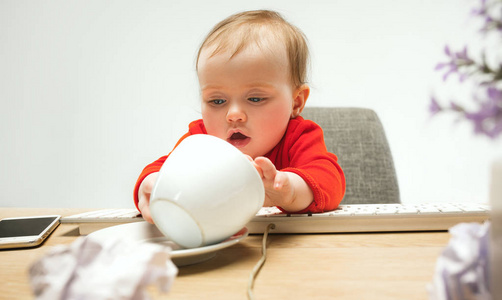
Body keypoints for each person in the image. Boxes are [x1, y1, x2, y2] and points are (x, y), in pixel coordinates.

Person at [134, 10, 345, 223]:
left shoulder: (299, 136)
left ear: (296, 102)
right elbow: (161, 169)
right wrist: (151, 185)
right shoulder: (200, 139)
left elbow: (329, 180)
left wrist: (290, 190)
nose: (234, 115)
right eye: (217, 101)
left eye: (255, 99)